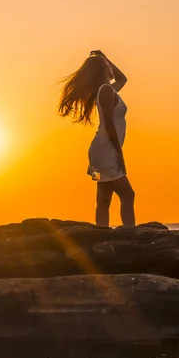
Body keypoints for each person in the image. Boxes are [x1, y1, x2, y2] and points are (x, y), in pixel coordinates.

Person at [58, 50, 135, 227]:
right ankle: (131, 234)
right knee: (127, 194)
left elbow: (122, 79)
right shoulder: (106, 90)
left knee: (104, 199)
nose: (110, 66)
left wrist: (106, 58)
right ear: (102, 70)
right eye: (107, 65)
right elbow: (108, 125)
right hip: (106, 150)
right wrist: (119, 154)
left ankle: (102, 232)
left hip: (101, 151)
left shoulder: (108, 90)